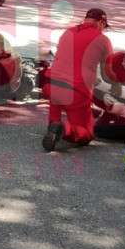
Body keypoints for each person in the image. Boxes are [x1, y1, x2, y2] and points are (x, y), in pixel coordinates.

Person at [42, 8, 114, 151]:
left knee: (57, 102)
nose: (104, 30)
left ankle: (54, 125)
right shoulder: (103, 40)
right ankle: (63, 130)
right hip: (75, 92)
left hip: (51, 85)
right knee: (86, 134)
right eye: (104, 27)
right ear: (101, 23)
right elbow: (108, 75)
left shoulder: (68, 32)